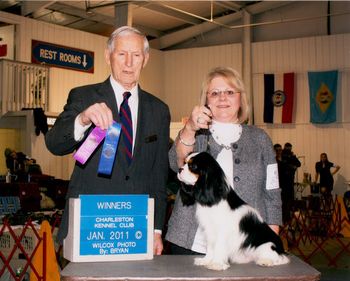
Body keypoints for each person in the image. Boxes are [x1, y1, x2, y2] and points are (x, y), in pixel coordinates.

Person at [45, 26, 170, 255]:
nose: (129, 63)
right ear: (108, 56)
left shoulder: (159, 110)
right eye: (122, 54)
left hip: (135, 230)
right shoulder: (83, 96)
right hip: (90, 226)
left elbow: (158, 176)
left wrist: (156, 229)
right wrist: (82, 119)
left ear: (146, 59)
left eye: (136, 55)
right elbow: (54, 144)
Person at [165, 66, 282, 254]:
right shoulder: (197, 134)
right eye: (215, 93)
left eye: (229, 92)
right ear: (206, 101)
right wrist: (189, 128)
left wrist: (272, 233)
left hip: (245, 244)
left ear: (241, 99)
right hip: (191, 243)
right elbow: (175, 162)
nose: (222, 98)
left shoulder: (261, 139)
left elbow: (272, 191)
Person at [279, 142, 301, 223]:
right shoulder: (281, 156)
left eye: (290, 148)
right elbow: (282, 166)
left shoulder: (291, 156)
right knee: (284, 201)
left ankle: (288, 218)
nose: (289, 150)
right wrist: (291, 166)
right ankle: (284, 218)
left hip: (290, 181)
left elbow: (299, 164)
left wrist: (293, 165)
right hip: (283, 182)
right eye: (287, 148)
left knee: (289, 200)